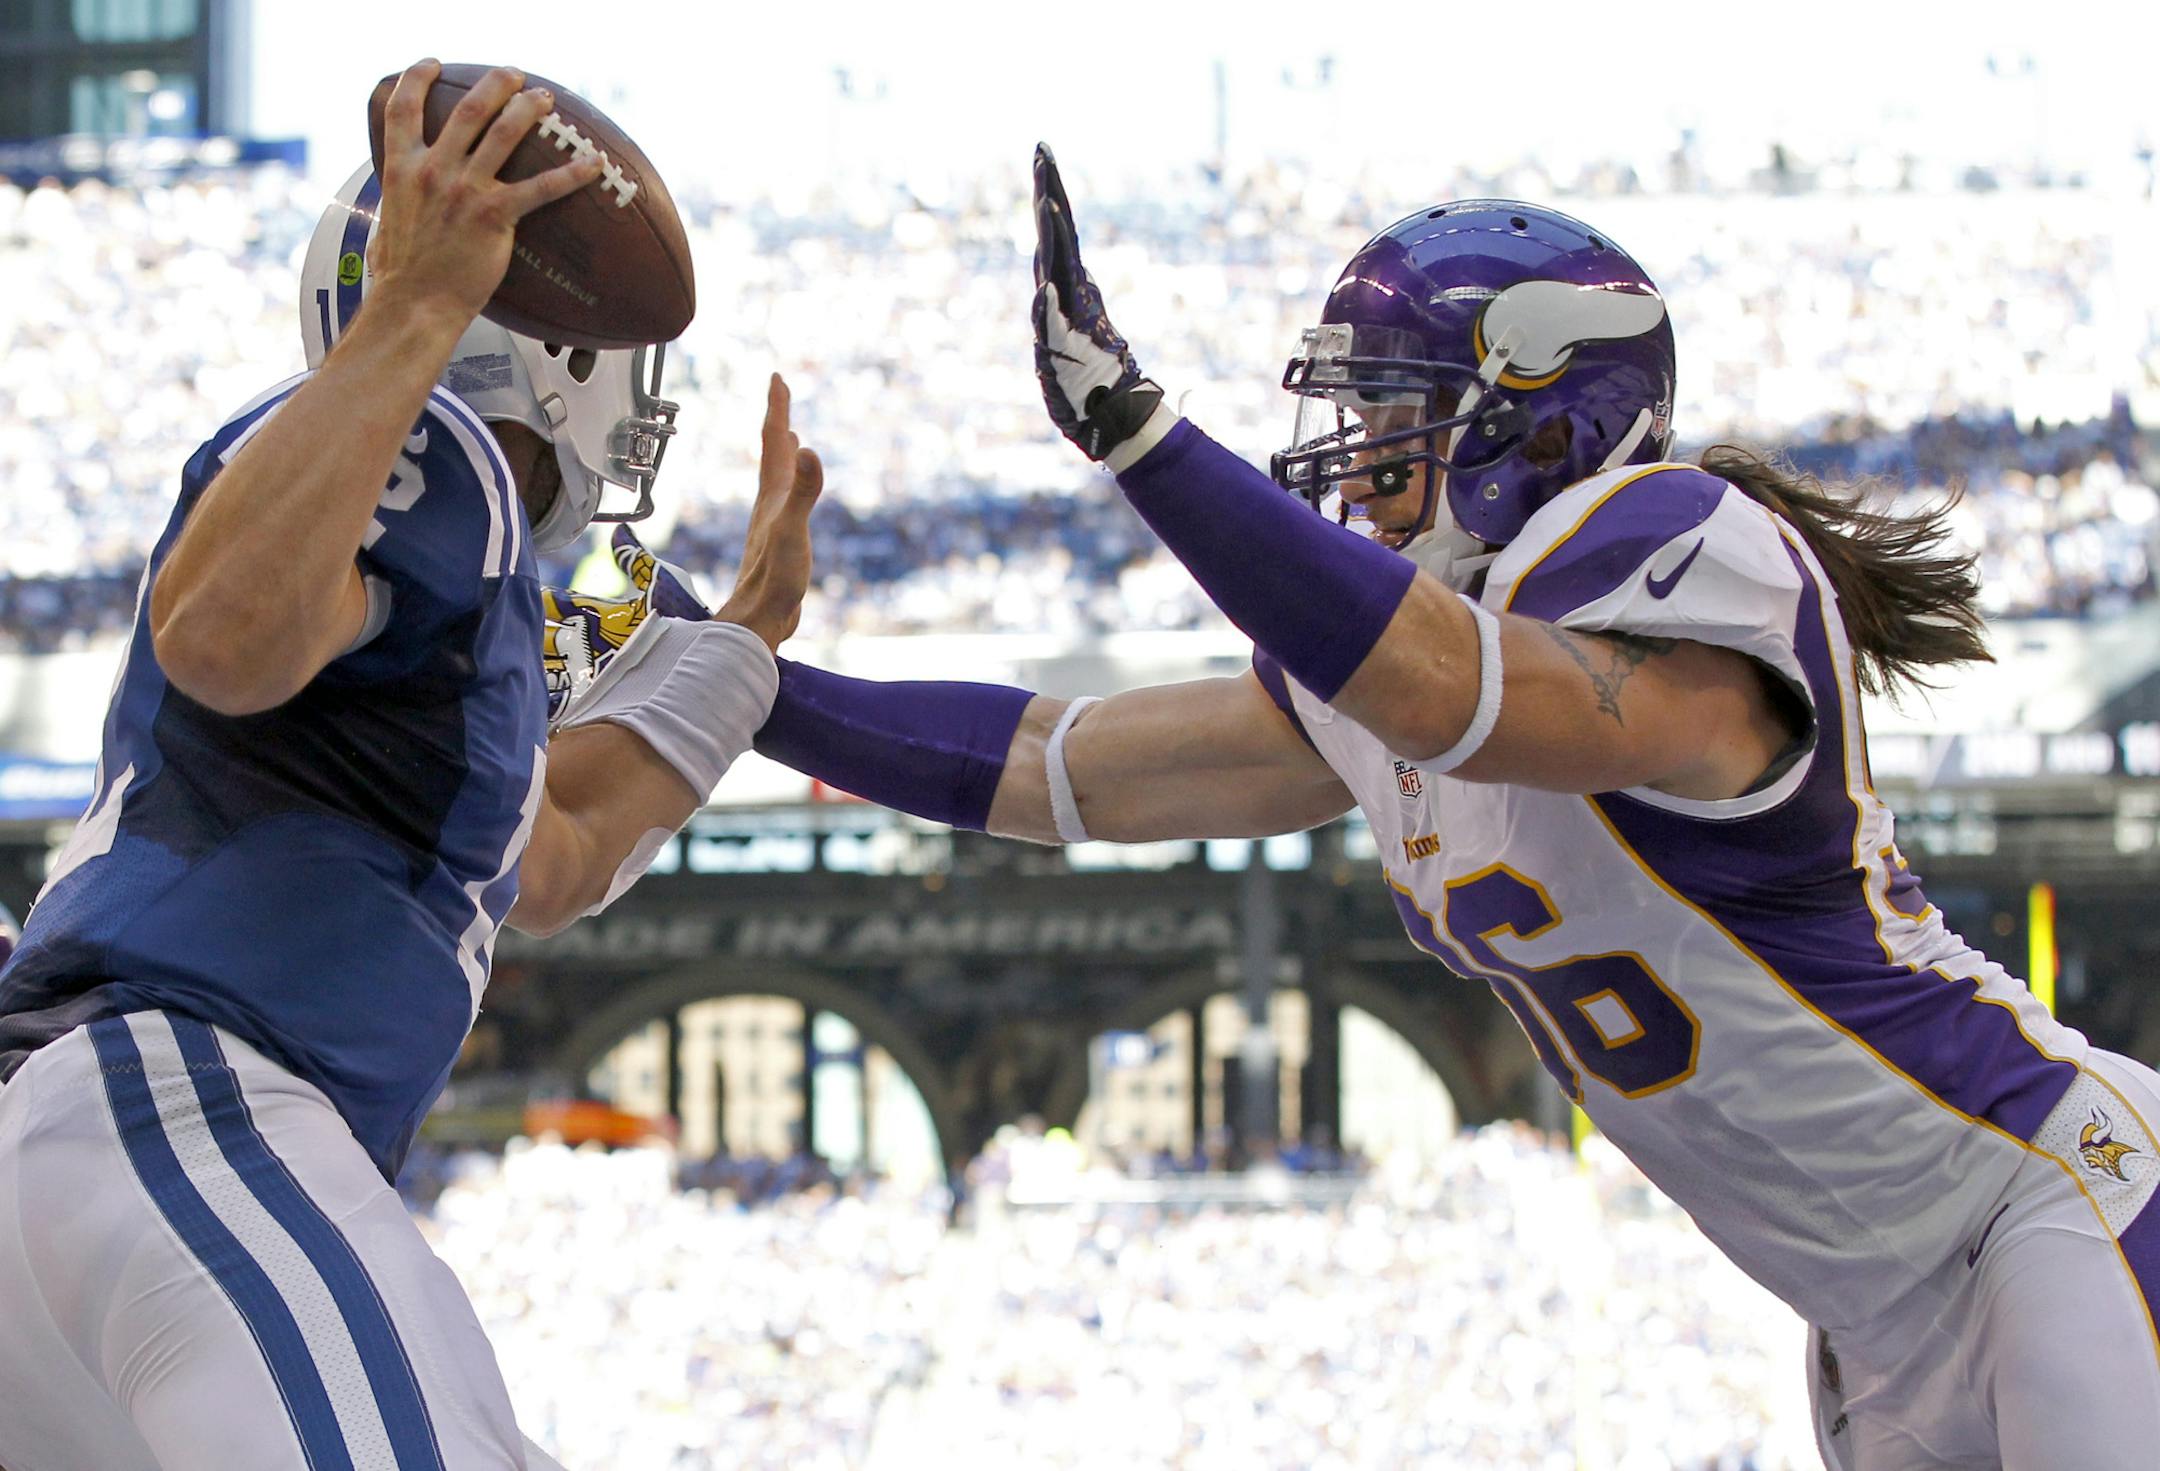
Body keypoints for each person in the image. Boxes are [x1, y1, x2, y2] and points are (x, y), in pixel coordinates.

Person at [747, 146, 2160, 1468]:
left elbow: (1450, 690)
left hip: (2042, 1205)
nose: (1355, 457)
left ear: (1545, 425)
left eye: (1398, 415)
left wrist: (1142, 436)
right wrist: (738, 682)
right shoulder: (1409, 670)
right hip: (1872, 1328)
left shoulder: (1669, 551)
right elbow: (1055, 767)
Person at [0, 62, 821, 1471]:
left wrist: (739, 648)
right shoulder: (442, 450)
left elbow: (551, 848)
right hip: (187, 1101)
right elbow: (223, 634)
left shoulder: (463, 592)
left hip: (122, 1159)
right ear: (554, 342)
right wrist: (426, 308)